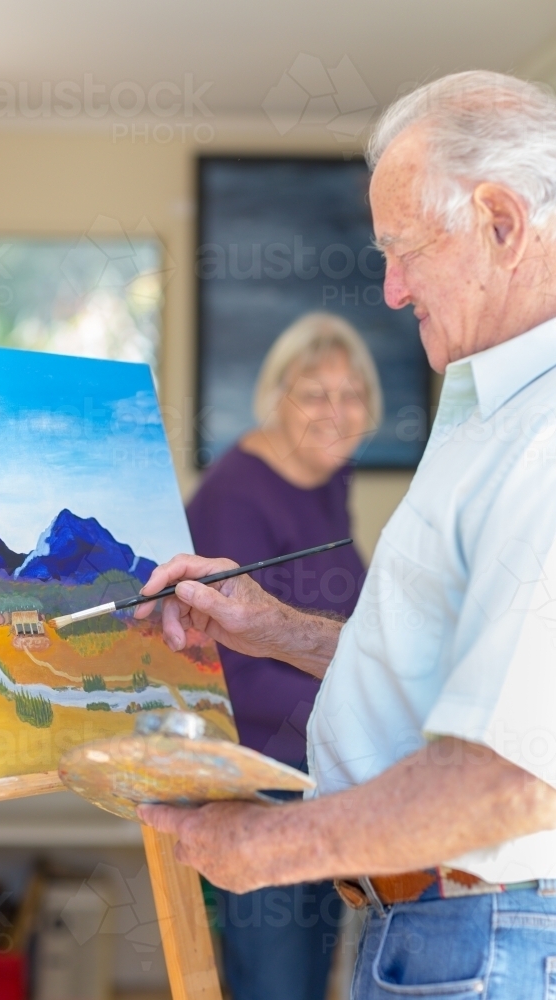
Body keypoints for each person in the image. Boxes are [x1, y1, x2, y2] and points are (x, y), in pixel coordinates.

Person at [136, 71, 556, 999]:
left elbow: (515, 774)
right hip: (436, 929)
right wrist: (274, 627)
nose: (391, 288)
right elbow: (441, 671)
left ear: (500, 223)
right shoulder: (485, 407)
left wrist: (262, 844)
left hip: (483, 927)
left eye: (403, 249)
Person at [187, 313, 379, 1000]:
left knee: (311, 976)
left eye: (351, 393)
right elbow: (228, 674)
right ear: (275, 397)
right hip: (262, 777)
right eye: (314, 393)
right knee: (275, 984)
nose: (337, 411)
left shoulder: (329, 478)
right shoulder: (235, 493)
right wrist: (374, 701)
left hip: (322, 771)